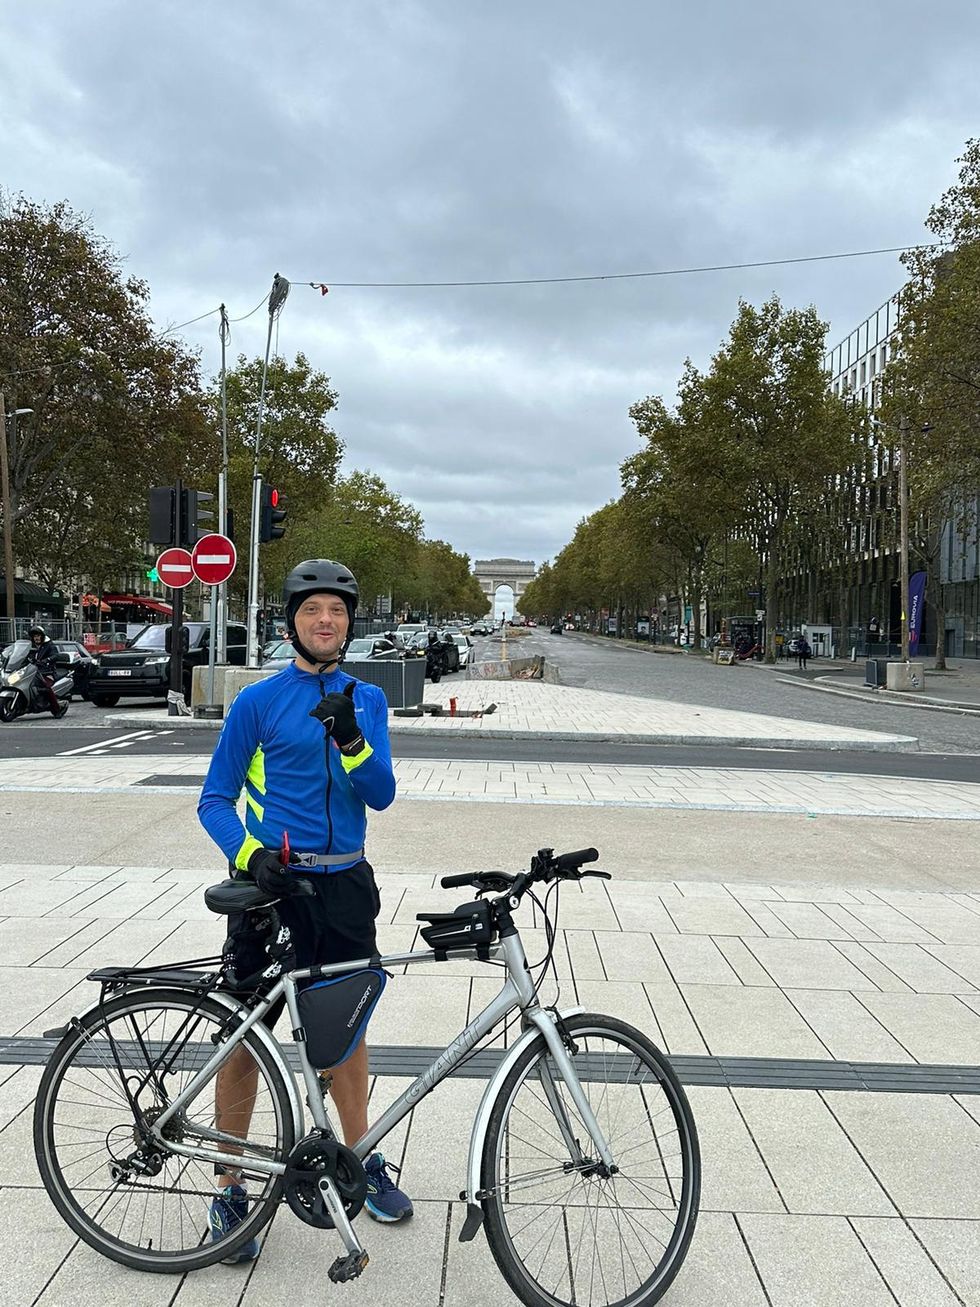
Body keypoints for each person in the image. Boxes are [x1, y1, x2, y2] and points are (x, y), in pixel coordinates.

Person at [198, 559, 411, 1264]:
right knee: (244, 1037)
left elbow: (379, 794)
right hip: (271, 889)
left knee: (345, 1034)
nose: (327, 621)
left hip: (344, 886)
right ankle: (231, 1183)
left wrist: (352, 738)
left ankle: (362, 1158)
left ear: (352, 623)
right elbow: (214, 799)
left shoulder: (368, 697)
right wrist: (251, 854)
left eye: (339, 611)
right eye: (314, 609)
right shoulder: (258, 701)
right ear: (291, 620)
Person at [26, 625, 60, 711]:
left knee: (46, 686)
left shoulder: (49, 644)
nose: (36, 638)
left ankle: (56, 708)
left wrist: (47, 660)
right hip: (33, 671)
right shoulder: (31, 646)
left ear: (42, 636)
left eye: (38, 636)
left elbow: (55, 655)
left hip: (47, 671)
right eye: (34, 636)